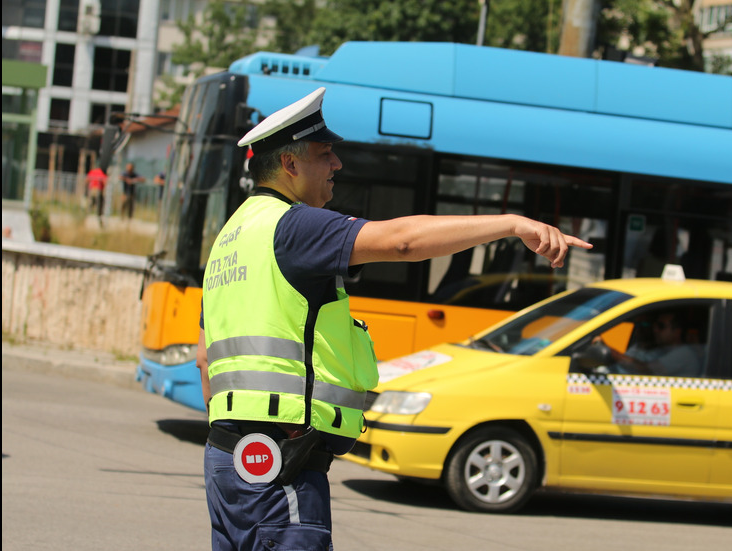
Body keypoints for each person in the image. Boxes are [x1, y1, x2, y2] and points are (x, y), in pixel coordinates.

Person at [196, 87, 592, 550]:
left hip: (228, 460)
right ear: (290, 165)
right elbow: (403, 240)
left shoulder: (232, 236)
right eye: (325, 154)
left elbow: (205, 359)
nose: (337, 166)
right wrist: (511, 224)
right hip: (279, 462)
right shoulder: (294, 226)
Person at [598, 311, 701, 377]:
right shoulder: (658, 350)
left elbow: (647, 369)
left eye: (661, 326)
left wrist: (612, 353)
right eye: (655, 325)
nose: (655, 330)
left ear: (677, 331)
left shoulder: (684, 354)